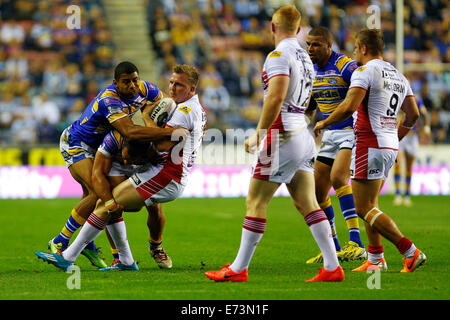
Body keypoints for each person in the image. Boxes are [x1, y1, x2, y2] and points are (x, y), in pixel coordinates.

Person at [205, 5, 344, 283]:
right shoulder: (306, 57)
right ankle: (332, 266)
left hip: (282, 135)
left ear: (272, 27)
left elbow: (276, 96)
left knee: (255, 201)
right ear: (298, 27)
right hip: (302, 134)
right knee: (307, 201)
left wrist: (259, 132)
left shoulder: (278, 55)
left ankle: (238, 268)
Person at [35, 64, 206, 271]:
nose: (133, 85)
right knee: (103, 198)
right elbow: (131, 132)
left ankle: (101, 251)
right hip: (79, 143)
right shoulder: (111, 103)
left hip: (166, 173)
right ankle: (69, 244)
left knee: (114, 202)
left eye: (135, 80)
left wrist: (154, 121)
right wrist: (164, 128)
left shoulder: (157, 96)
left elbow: (159, 112)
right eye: (171, 82)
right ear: (116, 83)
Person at [313, 29, 426, 272]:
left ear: (364, 48)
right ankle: (376, 260)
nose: (354, 53)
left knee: (363, 207)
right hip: (388, 144)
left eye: (355, 48)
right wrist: (395, 139)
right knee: (371, 204)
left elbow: (348, 106)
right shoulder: (398, 74)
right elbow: (413, 114)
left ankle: (410, 251)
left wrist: (324, 122)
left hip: (368, 141)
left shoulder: (365, 71)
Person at [305, 26, 365, 264]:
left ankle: (356, 243)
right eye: (308, 44)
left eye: (316, 44)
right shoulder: (311, 71)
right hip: (329, 134)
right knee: (318, 192)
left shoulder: (346, 66)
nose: (311, 48)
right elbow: (312, 105)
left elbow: (364, 88)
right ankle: (333, 248)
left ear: (329, 46)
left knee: (339, 178)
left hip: (350, 130)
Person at [92, 128, 172, 269]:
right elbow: (98, 173)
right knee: (113, 207)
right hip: (117, 166)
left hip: (144, 164)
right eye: (125, 155)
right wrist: (111, 202)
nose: (125, 159)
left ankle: (156, 247)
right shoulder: (112, 141)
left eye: (128, 158)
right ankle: (118, 257)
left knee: (155, 208)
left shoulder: (152, 147)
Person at [393, 97, 431, 206]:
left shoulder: (417, 99)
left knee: (409, 167)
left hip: (412, 137)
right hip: (399, 136)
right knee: (397, 165)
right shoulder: (396, 97)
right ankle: (397, 194)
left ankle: (407, 195)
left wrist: (427, 127)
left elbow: (424, 113)